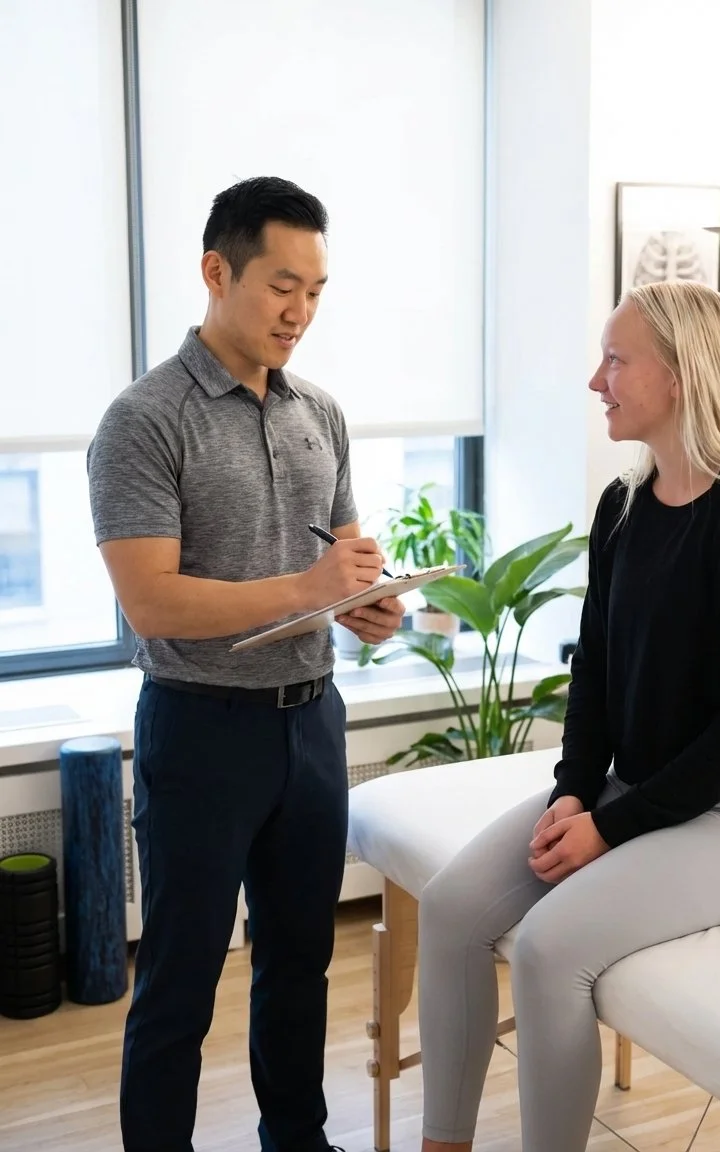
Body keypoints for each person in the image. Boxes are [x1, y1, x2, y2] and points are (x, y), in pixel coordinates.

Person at [414, 279, 720, 1152]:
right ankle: (440, 1140)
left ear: (677, 375)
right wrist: (573, 793)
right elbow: (594, 666)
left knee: (548, 950)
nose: (596, 380)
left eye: (614, 359)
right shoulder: (624, 507)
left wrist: (611, 827)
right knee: (450, 910)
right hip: (627, 793)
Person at [87, 176, 404, 1152]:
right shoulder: (143, 421)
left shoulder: (322, 412)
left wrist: (367, 603)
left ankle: (295, 1142)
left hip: (311, 723)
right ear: (215, 272)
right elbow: (152, 600)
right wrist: (310, 591)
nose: (299, 313)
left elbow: (341, 563)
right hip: (199, 730)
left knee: (299, 963)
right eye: (280, 286)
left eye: (315, 289)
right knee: (180, 978)